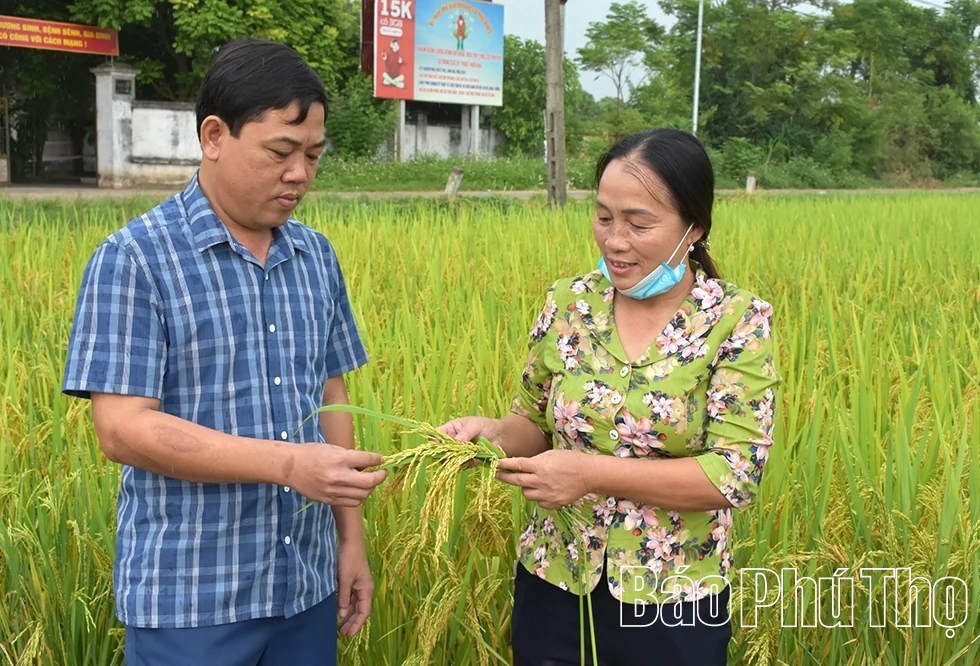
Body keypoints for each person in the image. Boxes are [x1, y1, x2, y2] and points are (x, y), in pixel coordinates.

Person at [62, 38, 387, 666]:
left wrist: (352, 538)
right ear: (214, 136)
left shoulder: (316, 256)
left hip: (306, 587)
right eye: (281, 152)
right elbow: (123, 429)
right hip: (193, 602)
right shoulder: (135, 259)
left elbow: (331, 393)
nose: (300, 174)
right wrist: (288, 464)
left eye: (314, 156)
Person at [440, 128, 781, 666]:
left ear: (693, 229)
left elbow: (734, 475)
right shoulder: (569, 302)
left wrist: (589, 474)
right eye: (604, 217)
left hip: (670, 601)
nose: (615, 240)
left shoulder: (736, 320)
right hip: (554, 582)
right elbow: (531, 425)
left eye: (639, 223)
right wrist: (493, 434)